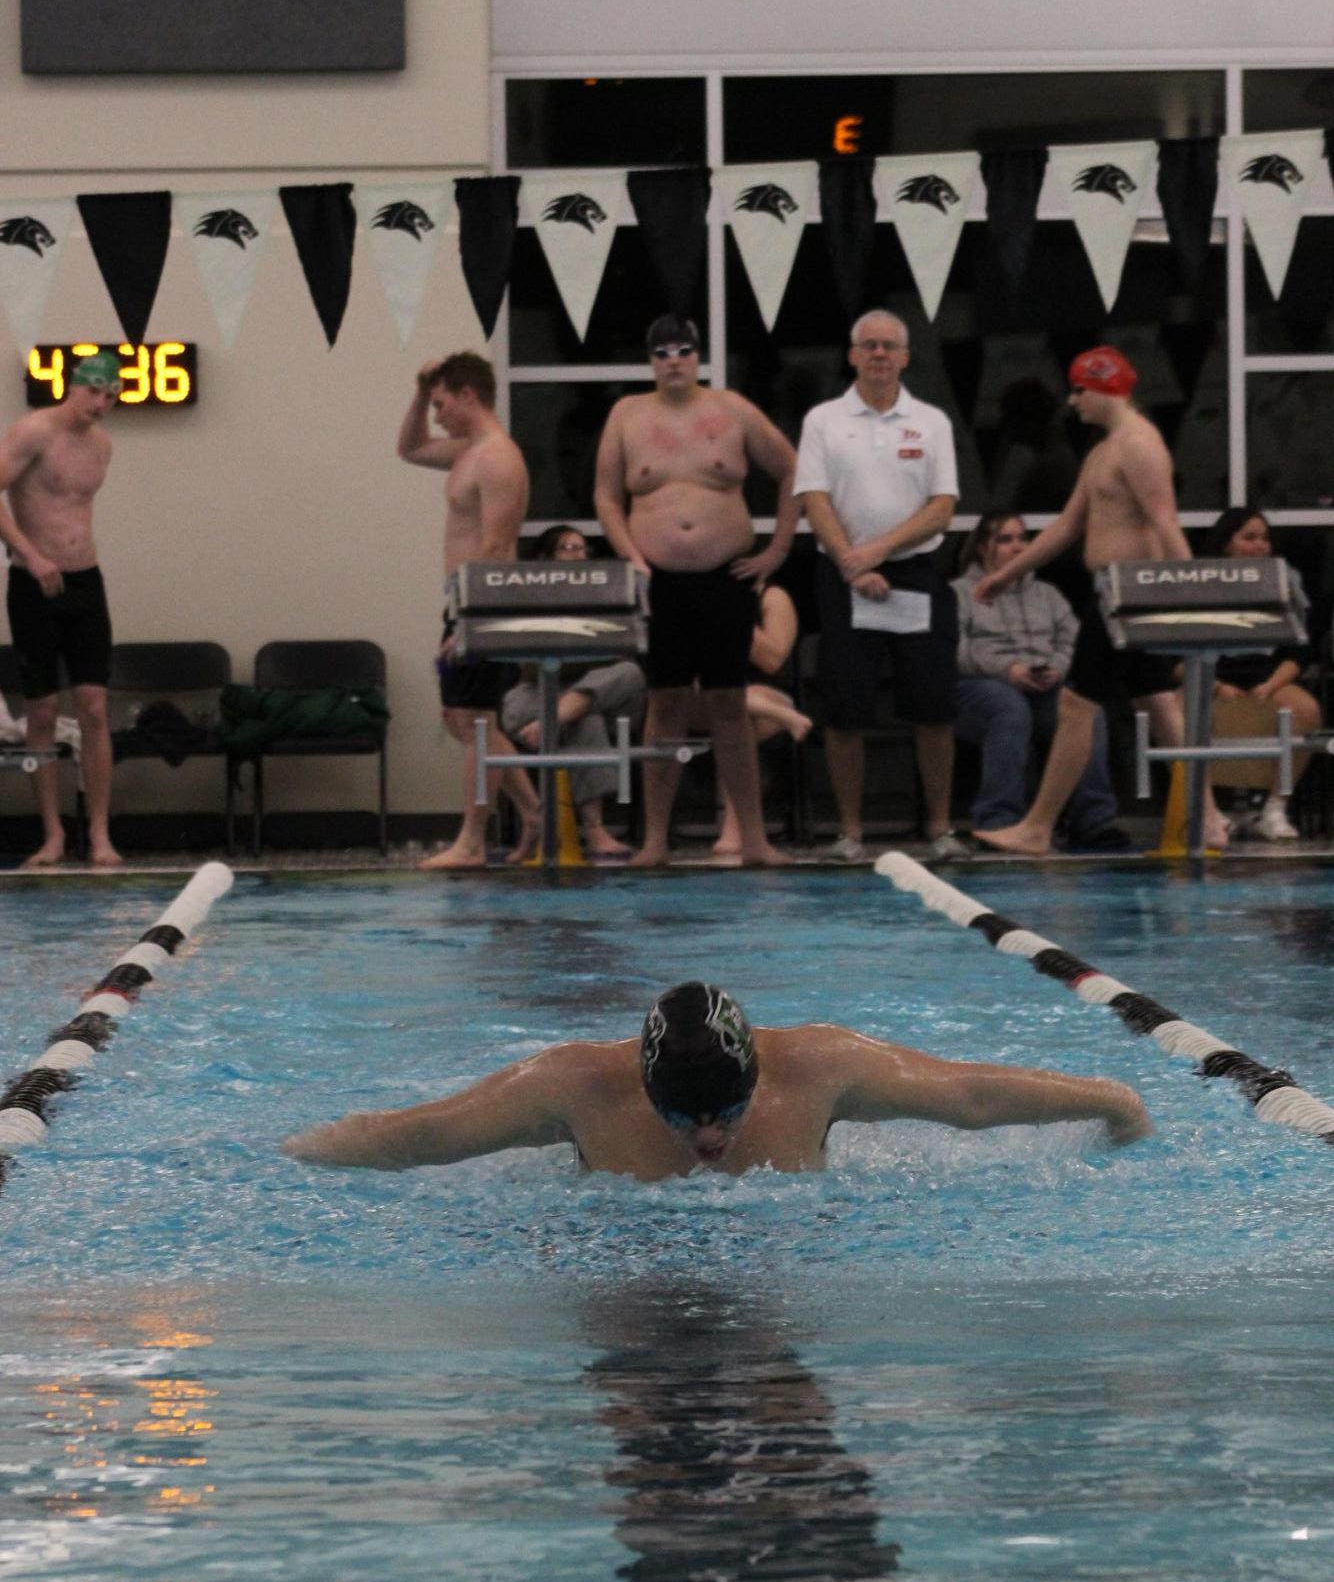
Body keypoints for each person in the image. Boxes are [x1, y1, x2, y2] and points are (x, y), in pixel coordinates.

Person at [283, 978, 1152, 1180]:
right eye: (683, 1117)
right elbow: (427, 1131)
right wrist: (285, 1156)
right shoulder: (579, 1085)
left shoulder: (819, 1065)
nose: (707, 1139)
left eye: (727, 1113)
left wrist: (1112, 1099)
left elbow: (967, 1095)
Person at [970, 346, 1230, 854]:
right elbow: (1069, 525)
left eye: (1079, 390)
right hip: (1118, 590)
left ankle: (1037, 826)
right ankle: (1212, 817)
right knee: (1157, 703)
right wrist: (1009, 573)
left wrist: (1198, 594)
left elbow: (1164, 522)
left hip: (1130, 593)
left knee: (1074, 704)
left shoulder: (1139, 445)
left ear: (1102, 386)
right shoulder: (1103, 451)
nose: (1072, 401)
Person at [593, 315, 799, 867]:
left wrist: (777, 550)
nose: (674, 359)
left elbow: (793, 471)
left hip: (725, 577)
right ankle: (656, 840)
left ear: (698, 356)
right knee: (665, 707)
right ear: (651, 360)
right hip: (659, 582)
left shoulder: (732, 410)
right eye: (663, 352)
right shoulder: (626, 415)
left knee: (730, 706)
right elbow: (607, 497)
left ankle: (753, 840)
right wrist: (632, 559)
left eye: (684, 350)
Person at [793, 309, 964, 863]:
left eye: (889, 346)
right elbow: (813, 498)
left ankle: (939, 830)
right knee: (846, 711)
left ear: (907, 357)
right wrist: (853, 562)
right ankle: (850, 835)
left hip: (916, 575)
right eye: (868, 345)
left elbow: (943, 508)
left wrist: (879, 552)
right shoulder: (823, 420)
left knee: (933, 708)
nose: (879, 354)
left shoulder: (932, 421)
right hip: (843, 576)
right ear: (852, 356)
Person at [396, 352, 540, 870]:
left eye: (440, 405)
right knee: (462, 717)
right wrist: (418, 389)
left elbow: (498, 550)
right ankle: (533, 810)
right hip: (463, 605)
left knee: (476, 721)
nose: (436, 417)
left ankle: (472, 842)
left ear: (468, 396)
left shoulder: (497, 458)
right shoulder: (468, 452)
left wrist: (473, 626)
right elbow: (409, 449)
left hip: (486, 607)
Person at [0, 349, 124, 866]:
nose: (100, 404)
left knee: (94, 708)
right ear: (73, 386)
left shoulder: (102, 446)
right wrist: (30, 555)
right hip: (33, 585)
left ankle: (98, 833)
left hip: (85, 583)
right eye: (94, 392)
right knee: (43, 711)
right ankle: (51, 833)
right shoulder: (33, 432)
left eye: (111, 397)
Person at [952, 513, 1128, 850]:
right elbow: (955, 650)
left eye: (1022, 538)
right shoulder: (959, 592)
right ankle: (999, 820)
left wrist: (1057, 669)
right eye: (1005, 539)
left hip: (1043, 684)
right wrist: (1008, 669)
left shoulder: (1047, 594)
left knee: (1086, 710)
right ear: (979, 548)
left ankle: (1093, 821)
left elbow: (1073, 641)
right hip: (977, 687)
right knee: (1008, 707)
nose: (1017, 546)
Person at [500, 524, 645, 860]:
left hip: (596, 694)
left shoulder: (608, 594)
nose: (578, 555)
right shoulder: (527, 598)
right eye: (568, 548)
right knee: (581, 718)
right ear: (545, 558)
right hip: (538, 692)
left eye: (582, 548)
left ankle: (556, 718)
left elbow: (621, 656)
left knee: (628, 674)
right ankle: (594, 830)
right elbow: (530, 661)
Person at [1194, 506, 1321, 842]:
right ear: (1225, 544)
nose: (1260, 545)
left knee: (1306, 709)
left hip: (1267, 677)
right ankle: (1210, 812)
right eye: (1249, 538)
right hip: (1209, 676)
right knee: (1174, 713)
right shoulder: (1198, 582)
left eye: (1265, 539)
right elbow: (1172, 659)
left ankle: (1274, 810)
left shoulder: (1284, 581)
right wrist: (1217, 686)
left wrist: (1272, 685)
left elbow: (1300, 651)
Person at [706, 583, 810, 860]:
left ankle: (732, 831)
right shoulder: (692, 595)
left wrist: (729, 613)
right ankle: (735, 830)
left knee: (742, 716)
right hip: (706, 697)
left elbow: (772, 661)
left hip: (764, 694)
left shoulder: (773, 597)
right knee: (732, 709)